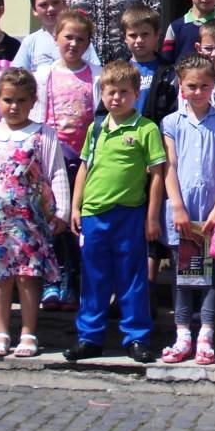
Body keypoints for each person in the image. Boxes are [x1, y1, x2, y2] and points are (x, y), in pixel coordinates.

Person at [0, 68, 70, 359]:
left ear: (33, 101)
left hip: (32, 222)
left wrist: (61, 211)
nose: (14, 106)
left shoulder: (43, 134)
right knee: (2, 277)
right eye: (8, 100)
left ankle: (28, 332)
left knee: (28, 277)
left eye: (21, 100)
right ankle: (1, 332)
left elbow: (57, 172)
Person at [62, 61, 165, 363]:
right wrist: (76, 206)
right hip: (94, 214)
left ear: (136, 95)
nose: (116, 98)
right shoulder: (96, 128)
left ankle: (136, 337)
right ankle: (90, 337)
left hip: (129, 214)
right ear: (102, 94)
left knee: (132, 278)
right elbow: (84, 167)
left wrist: (152, 216)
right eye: (110, 92)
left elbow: (157, 175)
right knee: (94, 278)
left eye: (123, 92)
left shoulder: (146, 129)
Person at [159, 54, 215, 366]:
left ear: (213, 86)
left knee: (210, 273)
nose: (198, 91)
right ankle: (182, 333)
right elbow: (170, 165)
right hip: (183, 208)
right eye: (192, 86)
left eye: (204, 86)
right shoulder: (172, 123)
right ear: (181, 86)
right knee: (183, 273)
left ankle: (206, 332)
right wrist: (177, 206)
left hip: (211, 208)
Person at [33, 8, 102, 311]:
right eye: (68, 37)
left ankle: (73, 282)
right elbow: (37, 116)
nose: (73, 44)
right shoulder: (44, 75)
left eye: (81, 39)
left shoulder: (95, 75)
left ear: (88, 43)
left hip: (85, 162)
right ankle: (51, 279)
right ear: (56, 38)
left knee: (76, 223)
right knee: (52, 220)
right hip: (52, 160)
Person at [13, 0, 101, 74]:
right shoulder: (30, 43)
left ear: (64, 3)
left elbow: (95, 71)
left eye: (55, 2)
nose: (51, 8)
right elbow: (16, 75)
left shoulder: (78, 39)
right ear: (34, 10)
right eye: (43, 5)